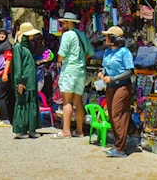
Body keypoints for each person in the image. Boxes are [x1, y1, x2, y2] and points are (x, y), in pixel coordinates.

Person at [51, 11, 94, 139]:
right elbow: (91, 52)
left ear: (69, 23)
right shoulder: (82, 34)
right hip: (81, 71)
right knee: (78, 101)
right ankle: (80, 131)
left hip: (69, 70)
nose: (63, 24)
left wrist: (59, 60)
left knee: (67, 101)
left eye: (64, 22)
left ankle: (66, 131)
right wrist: (81, 59)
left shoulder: (67, 35)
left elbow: (62, 54)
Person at [98, 25, 135, 158]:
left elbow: (130, 71)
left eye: (108, 36)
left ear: (113, 38)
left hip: (122, 86)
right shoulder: (107, 52)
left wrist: (113, 78)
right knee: (113, 115)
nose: (105, 38)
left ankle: (120, 148)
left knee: (117, 114)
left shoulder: (125, 52)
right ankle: (119, 143)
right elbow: (105, 67)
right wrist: (102, 73)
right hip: (110, 87)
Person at [11, 22, 42, 139]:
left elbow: (27, 62)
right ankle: (21, 130)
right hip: (24, 80)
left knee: (31, 102)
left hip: (31, 79)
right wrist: (19, 81)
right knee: (22, 103)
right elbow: (18, 66)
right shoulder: (18, 47)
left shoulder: (27, 46)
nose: (32, 37)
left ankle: (31, 129)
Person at [0, 28, 14, 127]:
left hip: (3, 74)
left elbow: (8, 59)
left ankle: (5, 120)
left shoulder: (7, 46)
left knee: (0, 97)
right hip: (2, 74)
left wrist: (5, 74)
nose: (1, 36)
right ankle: (8, 118)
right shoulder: (1, 46)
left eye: (3, 34)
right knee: (6, 97)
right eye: (0, 34)